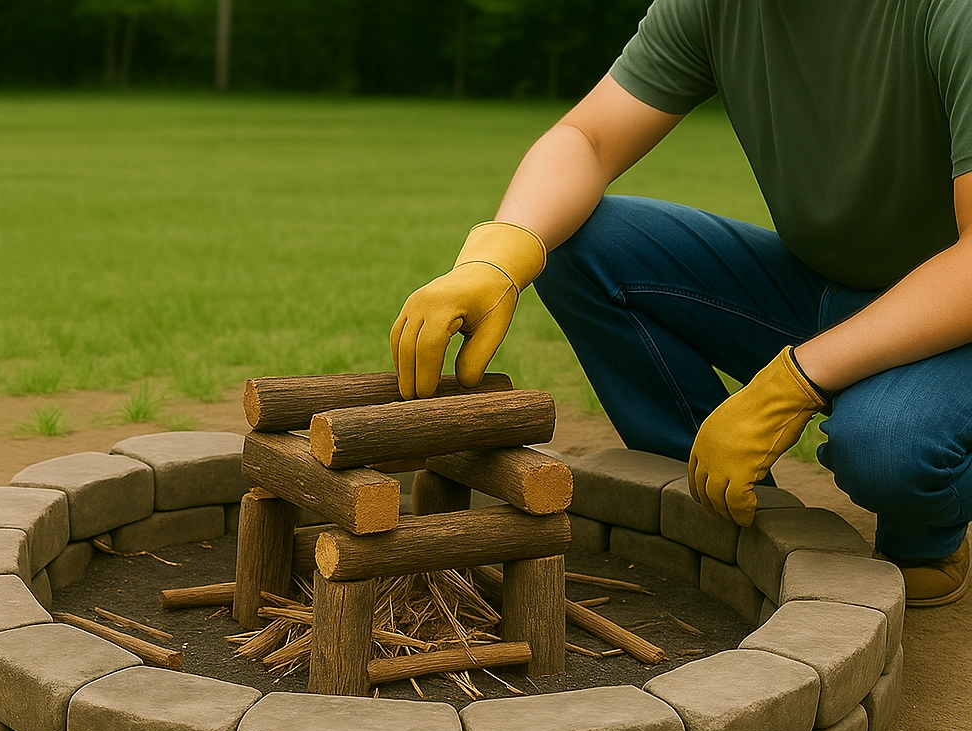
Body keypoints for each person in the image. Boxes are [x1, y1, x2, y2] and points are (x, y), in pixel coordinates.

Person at [389, 0, 972, 607]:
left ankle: (927, 537)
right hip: (823, 288)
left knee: (889, 447)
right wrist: (498, 253)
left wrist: (794, 382)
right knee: (571, 239)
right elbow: (588, 138)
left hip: (955, 321)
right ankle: (725, 508)